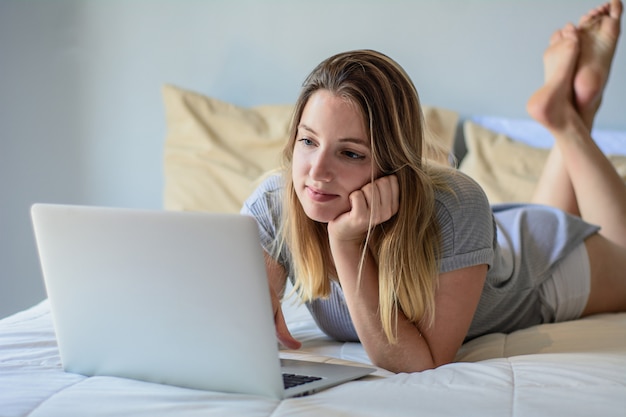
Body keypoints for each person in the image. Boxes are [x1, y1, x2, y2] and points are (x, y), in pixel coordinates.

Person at [241, 0, 625, 373]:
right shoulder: (275, 205)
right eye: (308, 141)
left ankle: (567, 123)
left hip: (539, 271)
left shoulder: (455, 206)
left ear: (393, 164)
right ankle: (571, 108)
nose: (317, 172)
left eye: (351, 154)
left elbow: (419, 361)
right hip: (484, 250)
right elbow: (234, 324)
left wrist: (345, 243)